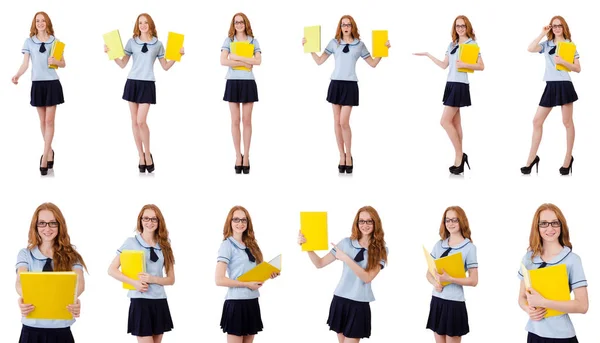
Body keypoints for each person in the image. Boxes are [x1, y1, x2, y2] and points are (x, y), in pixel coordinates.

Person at [302, 15, 391, 174]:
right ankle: (341, 156)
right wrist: (309, 49)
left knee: (344, 122)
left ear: (353, 27)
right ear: (340, 27)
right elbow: (320, 60)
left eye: (348, 24)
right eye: (343, 24)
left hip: (350, 85)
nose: (346, 27)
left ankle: (349, 155)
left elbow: (372, 63)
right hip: (335, 83)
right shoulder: (334, 43)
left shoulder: (359, 45)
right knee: (336, 122)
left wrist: (383, 51)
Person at [104, 13, 184, 173]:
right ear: (137, 25)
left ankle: (148, 153)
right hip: (132, 82)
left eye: (146, 22)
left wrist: (177, 55)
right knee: (134, 121)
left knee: (141, 121)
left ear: (151, 24)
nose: (143, 25)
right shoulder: (131, 42)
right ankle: (140, 156)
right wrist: (110, 53)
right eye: (140, 23)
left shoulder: (158, 44)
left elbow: (165, 66)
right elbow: (122, 63)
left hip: (147, 84)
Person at [297, 206, 388, 342]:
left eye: (369, 221)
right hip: (340, 300)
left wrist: (345, 258)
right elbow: (320, 263)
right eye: (361, 221)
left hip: (359, 304)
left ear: (376, 223)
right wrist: (307, 247)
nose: (365, 225)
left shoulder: (381, 250)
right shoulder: (346, 243)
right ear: (357, 223)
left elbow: (367, 277)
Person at [413, 15, 484, 175]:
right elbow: (444, 65)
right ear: (455, 28)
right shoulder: (452, 44)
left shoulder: (472, 44)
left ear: (467, 27)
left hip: (460, 85)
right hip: (450, 84)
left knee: (444, 121)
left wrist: (465, 64)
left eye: (463, 26)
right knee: (455, 122)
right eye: (458, 26)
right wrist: (428, 55)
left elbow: (481, 66)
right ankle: (459, 158)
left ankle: (460, 155)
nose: (460, 28)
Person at [15, 202, 87, 342]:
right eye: (42, 223)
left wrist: (73, 299)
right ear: (35, 226)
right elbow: (20, 281)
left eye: (52, 223)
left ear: (60, 226)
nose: (47, 228)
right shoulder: (25, 254)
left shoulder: (72, 256)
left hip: (61, 332)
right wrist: (24, 297)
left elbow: (79, 284)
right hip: (31, 331)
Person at [518, 203, 588, 343]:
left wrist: (544, 302)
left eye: (554, 223)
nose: (549, 228)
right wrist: (528, 309)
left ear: (561, 226)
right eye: (543, 223)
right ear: (537, 227)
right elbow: (521, 297)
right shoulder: (528, 258)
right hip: (534, 333)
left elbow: (583, 306)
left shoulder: (572, 260)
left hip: (561, 336)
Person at [520, 16, 580, 176]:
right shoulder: (547, 44)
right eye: (554, 26)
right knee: (537, 121)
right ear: (551, 28)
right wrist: (542, 33)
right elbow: (530, 48)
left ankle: (568, 158)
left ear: (564, 27)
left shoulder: (570, 45)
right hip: (550, 85)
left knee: (567, 122)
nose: (557, 28)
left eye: (559, 25)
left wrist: (563, 62)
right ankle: (531, 158)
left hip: (564, 84)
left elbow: (577, 68)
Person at [108, 204, 176, 342]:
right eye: (146, 218)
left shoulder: (165, 245)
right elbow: (111, 270)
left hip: (159, 300)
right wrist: (134, 283)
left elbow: (171, 279)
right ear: (140, 220)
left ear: (159, 222)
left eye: (154, 219)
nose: (149, 222)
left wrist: (152, 279)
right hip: (140, 301)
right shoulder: (131, 242)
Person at [12, 12, 66, 175]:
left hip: (52, 83)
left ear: (48, 23)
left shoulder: (55, 42)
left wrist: (55, 61)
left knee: (49, 121)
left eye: (43, 21)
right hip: (37, 84)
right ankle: (50, 151)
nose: (40, 23)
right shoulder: (29, 42)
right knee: (42, 121)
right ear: (34, 23)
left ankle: (44, 156)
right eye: (38, 21)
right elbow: (25, 64)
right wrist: (17, 75)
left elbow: (63, 63)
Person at [216, 205, 279, 342]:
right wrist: (246, 284)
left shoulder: (251, 245)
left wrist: (269, 273)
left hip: (252, 301)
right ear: (230, 222)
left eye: (244, 220)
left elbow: (255, 273)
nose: (240, 223)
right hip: (236, 303)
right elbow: (219, 279)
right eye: (236, 220)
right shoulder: (227, 245)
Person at [425, 206, 478, 343]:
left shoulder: (469, 247)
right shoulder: (439, 245)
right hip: (437, 300)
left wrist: (450, 279)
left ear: (461, 221)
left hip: (454, 303)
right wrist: (435, 282)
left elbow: (474, 280)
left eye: (454, 220)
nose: (450, 223)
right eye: (447, 220)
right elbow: (428, 273)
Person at [220, 13, 261, 174]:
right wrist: (244, 60)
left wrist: (234, 58)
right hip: (233, 82)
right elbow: (223, 61)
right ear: (233, 24)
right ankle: (238, 155)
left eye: (241, 22)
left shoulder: (253, 40)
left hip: (248, 82)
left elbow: (258, 61)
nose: (239, 24)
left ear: (246, 23)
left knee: (247, 120)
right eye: (236, 22)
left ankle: (247, 156)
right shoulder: (229, 41)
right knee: (235, 120)